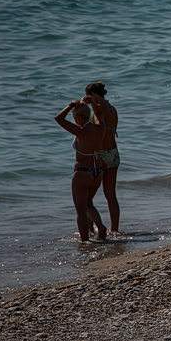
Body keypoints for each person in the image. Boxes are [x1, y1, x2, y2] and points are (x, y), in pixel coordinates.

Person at [54, 96, 107, 241]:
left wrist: (71, 104)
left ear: (77, 118)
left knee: (81, 211)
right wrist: (92, 103)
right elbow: (100, 114)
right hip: (98, 172)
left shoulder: (81, 132)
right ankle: (100, 225)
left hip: (83, 173)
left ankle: (85, 242)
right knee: (89, 204)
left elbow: (58, 118)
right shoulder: (100, 128)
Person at [85, 82, 120, 233]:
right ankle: (115, 229)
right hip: (114, 153)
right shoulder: (112, 109)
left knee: (86, 197)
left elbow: (98, 128)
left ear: (93, 95)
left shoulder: (98, 107)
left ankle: (91, 229)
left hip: (102, 154)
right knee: (111, 194)